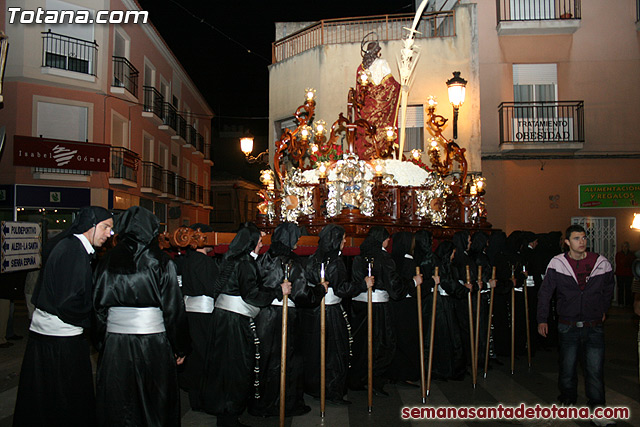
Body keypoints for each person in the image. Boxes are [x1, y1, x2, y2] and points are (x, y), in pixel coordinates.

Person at [13, 206, 113, 426]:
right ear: (91, 224)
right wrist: (94, 315)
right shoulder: (73, 250)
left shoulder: (70, 245)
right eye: (106, 227)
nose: (109, 234)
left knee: (44, 398)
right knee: (66, 399)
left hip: (47, 336)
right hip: (61, 340)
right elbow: (68, 301)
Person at [93, 206, 190, 426]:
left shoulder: (106, 261)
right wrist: (180, 346)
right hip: (153, 344)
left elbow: (98, 308)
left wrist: (101, 342)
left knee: (119, 402)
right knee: (155, 402)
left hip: (116, 344)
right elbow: (173, 309)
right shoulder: (162, 261)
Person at [201, 223, 290, 427]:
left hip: (223, 320)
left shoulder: (231, 258)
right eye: (259, 241)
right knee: (236, 369)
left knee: (224, 370)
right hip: (234, 323)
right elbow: (251, 295)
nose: (261, 245)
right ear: (250, 242)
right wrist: (278, 291)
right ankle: (229, 418)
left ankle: (227, 417)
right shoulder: (245, 263)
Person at [537, 224, 615, 423]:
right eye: (576, 238)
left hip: (593, 324)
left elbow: (608, 288)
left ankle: (598, 410)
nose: (582, 242)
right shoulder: (557, 263)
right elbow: (545, 293)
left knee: (595, 369)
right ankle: (567, 401)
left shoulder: (601, 262)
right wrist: (542, 319)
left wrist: (603, 309)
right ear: (567, 242)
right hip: (568, 324)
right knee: (567, 368)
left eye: (583, 238)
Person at [250, 222, 323, 417]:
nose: (298, 242)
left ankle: (262, 402)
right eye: (296, 238)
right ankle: (285, 403)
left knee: (265, 360)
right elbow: (301, 294)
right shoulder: (292, 261)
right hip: (284, 317)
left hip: (263, 316)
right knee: (288, 361)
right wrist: (320, 290)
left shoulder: (263, 258)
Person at [348, 226, 419, 395]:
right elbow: (394, 287)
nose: (389, 242)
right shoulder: (384, 258)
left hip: (360, 307)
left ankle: (358, 379)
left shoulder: (359, 257)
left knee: (362, 344)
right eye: (387, 238)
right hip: (378, 308)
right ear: (381, 239)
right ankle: (374, 381)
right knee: (382, 345)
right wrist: (412, 283)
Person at [302, 223, 364, 405]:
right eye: (342, 238)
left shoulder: (313, 258)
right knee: (336, 352)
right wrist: (361, 285)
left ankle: (315, 387)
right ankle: (332, 390)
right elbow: (341, 289)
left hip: (314, 312)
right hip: (330, 313)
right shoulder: (336, 263)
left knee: (316, 350)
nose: (345, 240)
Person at [178, 223, 218, 411]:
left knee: (195, 356)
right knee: (206, 357)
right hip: (205, 313)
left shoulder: (187, 260)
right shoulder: (205, 262)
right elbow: (213, 288)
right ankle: (206, 399)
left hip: (189, 312)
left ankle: (196, 397)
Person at [354, 35, 401, 160]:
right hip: (380, 106)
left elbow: (360, 92)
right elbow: (390, 85)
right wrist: (400, 87)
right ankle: (381, 153)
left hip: (366, 108)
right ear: (378, 52)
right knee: (380, 130)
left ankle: (367, 155)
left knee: (367, 131)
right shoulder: (382, 63)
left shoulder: (361, 67)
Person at [615, 241, 635, 307]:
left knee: (628, 288)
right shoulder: (618, 254)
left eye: (626, 246)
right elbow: (619, 263)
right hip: (620, 273)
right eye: (623, 246)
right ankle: (620, 303)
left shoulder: (631, 255)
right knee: (620, 288)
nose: (624, 248)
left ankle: (628, 303)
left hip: (628, 274)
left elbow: (631, 263)